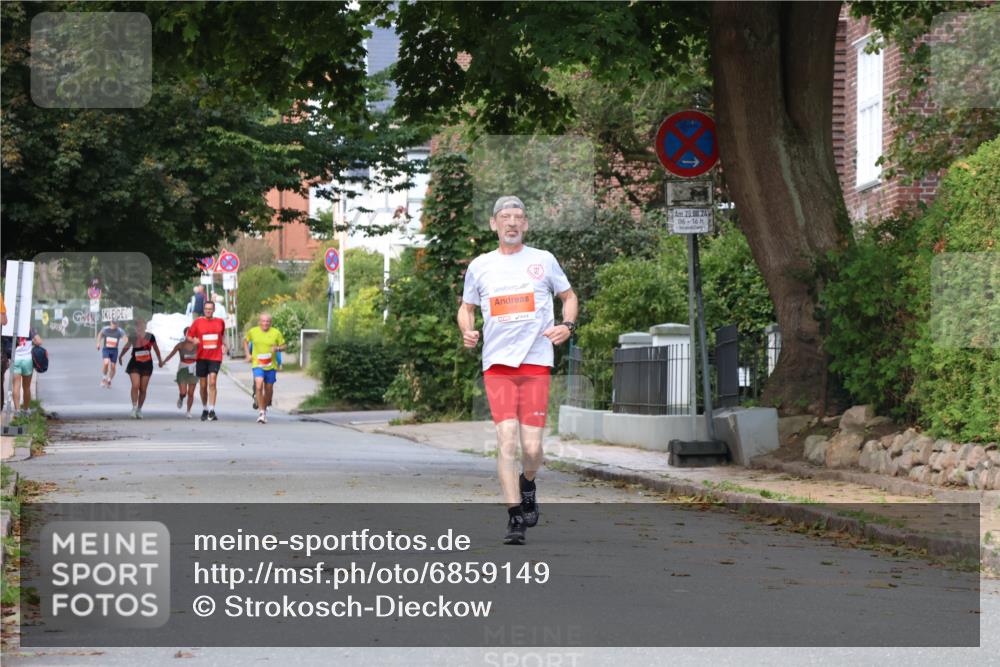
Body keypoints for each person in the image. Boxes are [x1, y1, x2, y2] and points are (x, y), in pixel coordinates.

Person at [458, 195, 578, 545]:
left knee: (533, 448)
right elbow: (466, 307)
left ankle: (528, 483)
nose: (511, 222)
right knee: (506, 439)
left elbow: (568, 296)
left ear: (525, 224)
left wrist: (567, 325)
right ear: (493, 224)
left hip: (536, 362)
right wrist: (467, 328)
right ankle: (515, 517)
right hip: (497, 365)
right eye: (504, 217)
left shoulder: (543, 260)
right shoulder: (480, 265)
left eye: (518, 217)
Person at [186, 300, 227, 421]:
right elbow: (189, 336)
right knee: (203, 386)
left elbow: (222, 335)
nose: (208, 311)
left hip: (215, 357)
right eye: (206, 309)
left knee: (213, 382)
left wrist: (224, 345)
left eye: (210, 309)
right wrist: (193, 340)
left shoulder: (220, 322)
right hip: (201, 357)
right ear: (204, 310)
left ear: (214, 310)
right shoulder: (198, 322)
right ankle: (205, 408)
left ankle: (212, 410)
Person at [243, 313, 286, 424]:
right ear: (259, 322)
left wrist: (277, 348)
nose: (265, 323)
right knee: (259, 384)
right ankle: (262, 413)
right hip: (257, 364)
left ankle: (265, 405)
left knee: (269, 389)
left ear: (270, 323)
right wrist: (248, 354)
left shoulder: (276, 333)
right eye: (263, 321)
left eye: (267, 321)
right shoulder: (253, 331)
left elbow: (284, 346)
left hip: (271, 366)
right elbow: (245, 342)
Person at [119, 319, 161, 419]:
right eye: (138, 325)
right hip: (135, 364)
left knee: (143, 389)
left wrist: (160, 360)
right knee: (135, 385)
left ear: (145, 326)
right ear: (136, 326)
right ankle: (134, 408)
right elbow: (127, 346)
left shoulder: (150, 336)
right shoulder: (133, 336)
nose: (140, 327)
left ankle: (139, 409)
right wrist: (120, 356)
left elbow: (156, 348)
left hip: (147, 365)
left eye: (142, 324)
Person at [160, 327, 199, 419]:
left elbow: (205, 354)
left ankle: (188, 411)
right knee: (183, 392)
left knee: (191, 393)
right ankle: (181, 398)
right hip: (182, 369)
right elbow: (171, 354)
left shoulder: (197, 345)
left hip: (193, 369)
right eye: (188, 333)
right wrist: (163, 361)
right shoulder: (180, 345)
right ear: (185, 335)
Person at [10, 328, 42, 417]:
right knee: (26, 387)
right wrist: (33, 341)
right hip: (27, 360)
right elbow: (39, 341)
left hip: (15, 359)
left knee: (16, 386)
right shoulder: (29, 328)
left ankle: (17, 411)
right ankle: (26, 410)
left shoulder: (11, 327)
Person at [96, 320, 127, 388]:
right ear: (111, 323)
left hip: (114, 350)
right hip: (106, 349)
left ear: (117, 324)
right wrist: (98, 343)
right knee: (106, 363)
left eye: (115, 324)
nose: (114, 325)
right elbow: (100, 334)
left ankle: (109, 380)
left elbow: (125, 338)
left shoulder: (120, 331)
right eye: (113, 324)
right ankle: (104, 379)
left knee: (113, 367)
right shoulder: (105, 329)